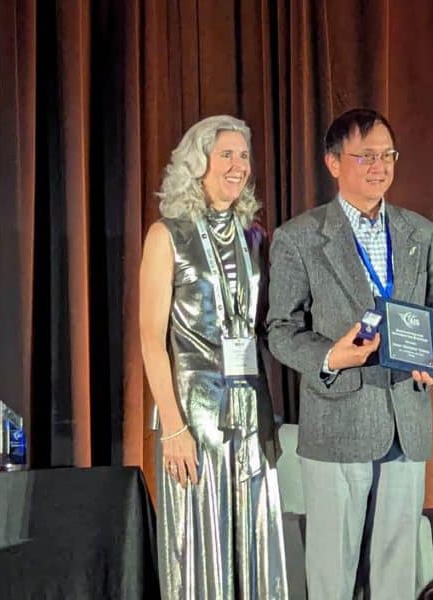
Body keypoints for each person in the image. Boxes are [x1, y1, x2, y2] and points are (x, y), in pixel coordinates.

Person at [266, 108, 433, 599]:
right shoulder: (298, 237)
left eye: (387, 155)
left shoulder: (422, 232)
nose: (379, 166)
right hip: (337, 420)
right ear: (333, 163)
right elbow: (281, 330)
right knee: (333, 569)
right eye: (365, 156)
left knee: (398, 566)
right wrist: (331, 358)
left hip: (407, 419)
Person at [139, 115, 287, 599]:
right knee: (201, 542)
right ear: (197, 163)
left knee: (255, 537)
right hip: (196, 413)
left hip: (250, 407)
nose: (238, 165)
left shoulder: (254, 237)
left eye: (244, 156)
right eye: (226, 155)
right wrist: (175, 429)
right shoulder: (167, 235)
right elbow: (150, 340)